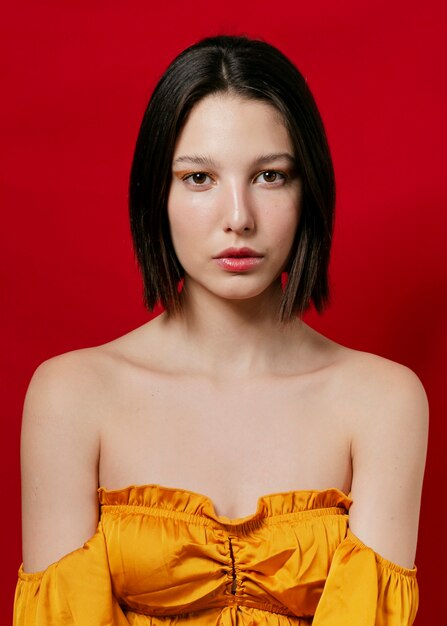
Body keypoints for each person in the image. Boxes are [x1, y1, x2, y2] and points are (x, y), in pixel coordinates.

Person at [13, 34, 428, 625]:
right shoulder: (71, 396)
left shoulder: (385, 401)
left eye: (270, 176)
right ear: (156, 192)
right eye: (199, 178)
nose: (238, 217)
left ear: (308, 190)